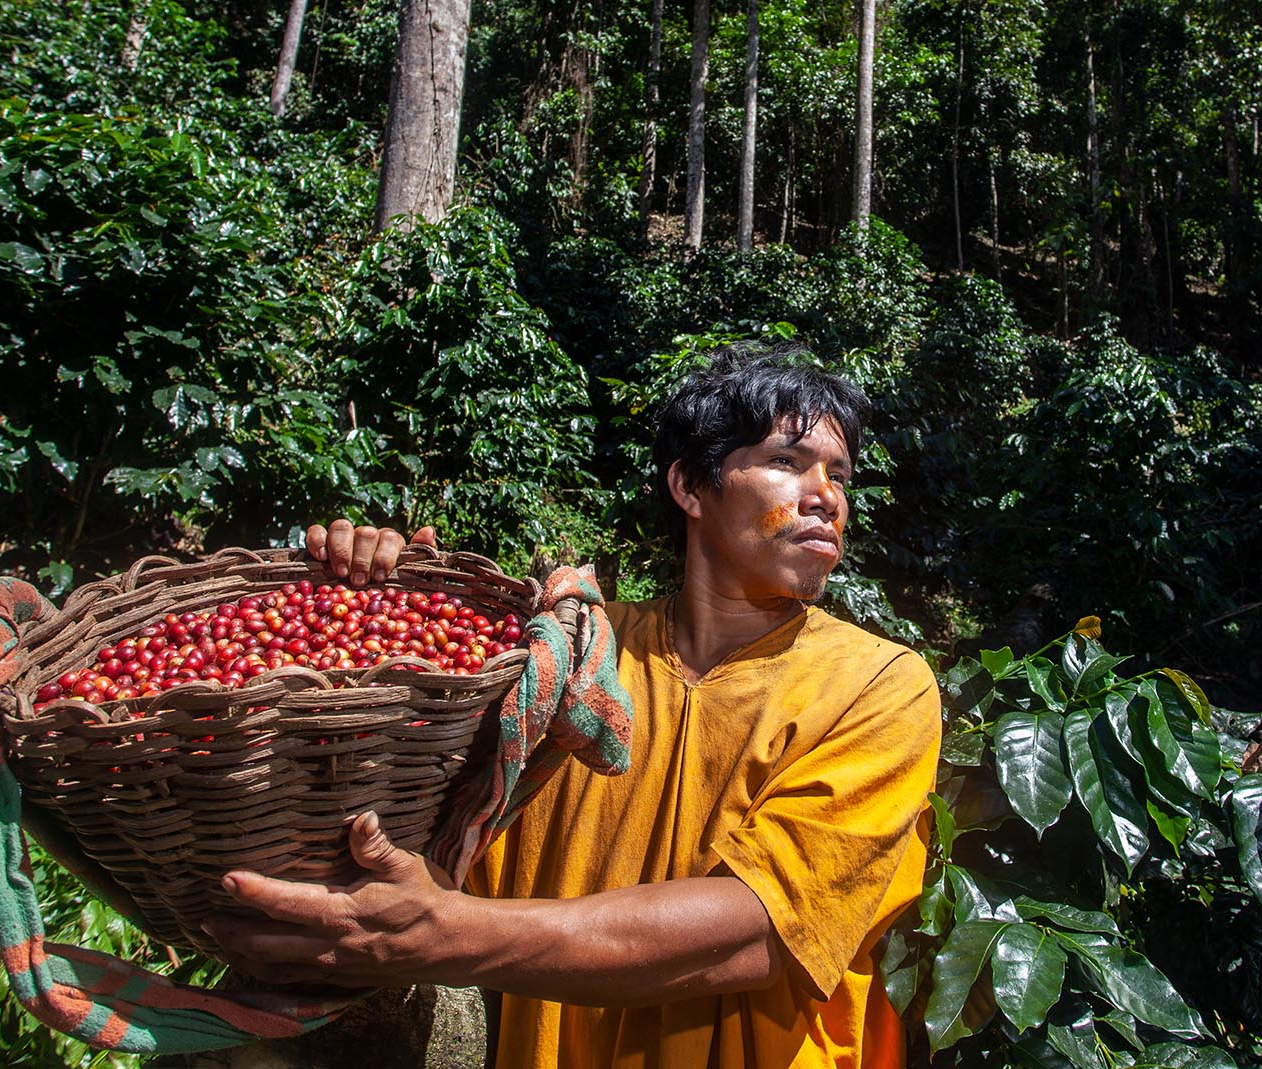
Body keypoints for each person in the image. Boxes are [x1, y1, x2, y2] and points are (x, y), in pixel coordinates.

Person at [205, 347, 942, 1068]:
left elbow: (757, 932)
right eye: (788, 461)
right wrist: (373, 602)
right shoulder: (570, 652)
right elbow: (411, 828)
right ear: (690, 485)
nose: (828, 495)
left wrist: (446, 936)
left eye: (839, 474)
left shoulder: (879, 685)